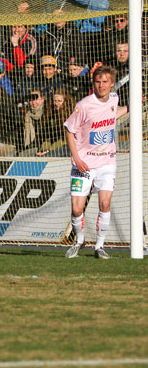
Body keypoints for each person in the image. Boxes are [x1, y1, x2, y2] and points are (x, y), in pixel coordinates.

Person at [64, 65, 128, 259]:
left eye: (105, 82)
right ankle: (80, 240)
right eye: (98, 82)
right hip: (83, 163)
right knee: (76, 208)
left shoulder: (114, 99)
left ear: (111, 84)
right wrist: (76, 158)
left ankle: (100, 246)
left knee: (105, 203)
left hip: (107, 161)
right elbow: (69, 129)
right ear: (93, 84)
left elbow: (110, 116)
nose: (101, 85)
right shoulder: (84, 105)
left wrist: (130, 108)